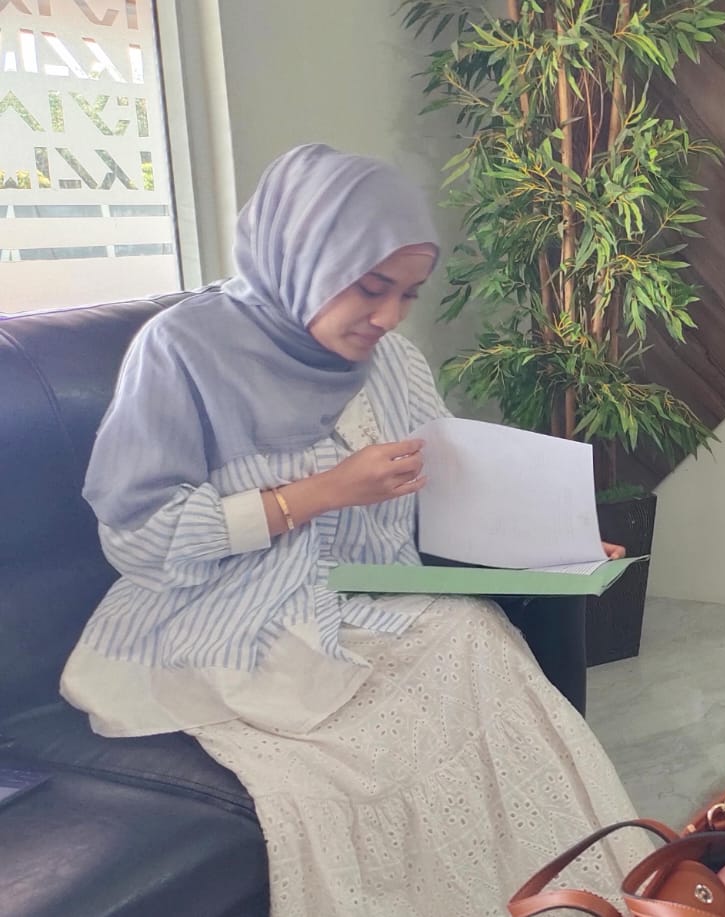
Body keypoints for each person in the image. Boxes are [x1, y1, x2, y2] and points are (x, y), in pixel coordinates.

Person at [61, 144, 648, 916]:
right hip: (227, 623)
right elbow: (137, 536)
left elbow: (448, 486)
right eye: (371, 288)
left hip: (366, 602)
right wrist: (318, 493)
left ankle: (575, 896)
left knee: (475, 642)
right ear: (302, 253)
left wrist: (554, 541)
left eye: (407, 294)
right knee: (348, 762)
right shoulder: (184, 352)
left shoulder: (391, 359)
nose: (389, 316)